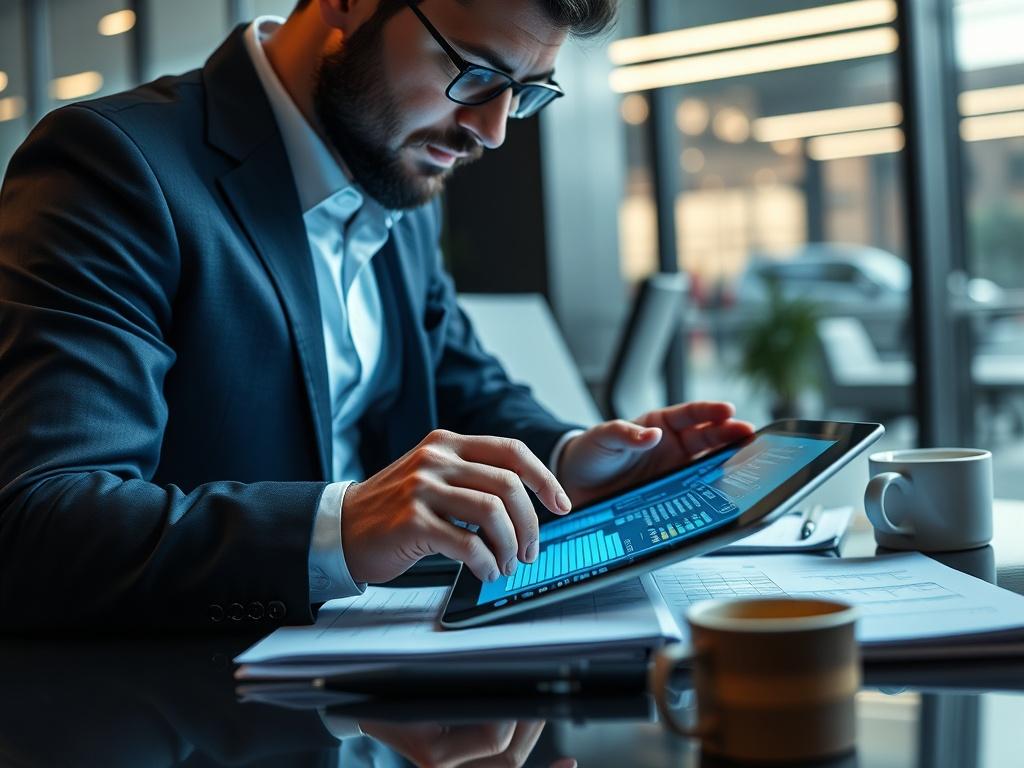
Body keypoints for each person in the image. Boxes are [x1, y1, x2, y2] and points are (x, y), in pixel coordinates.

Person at [0, 0, 753, 629]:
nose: (490, 131)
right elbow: (44, 520)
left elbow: (462, 385)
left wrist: (568, 462)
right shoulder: (115, 166)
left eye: (524, 91)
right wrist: (345, 524)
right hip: (192, 707)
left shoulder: (397, 170)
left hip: (382, 687)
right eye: (475, 74)